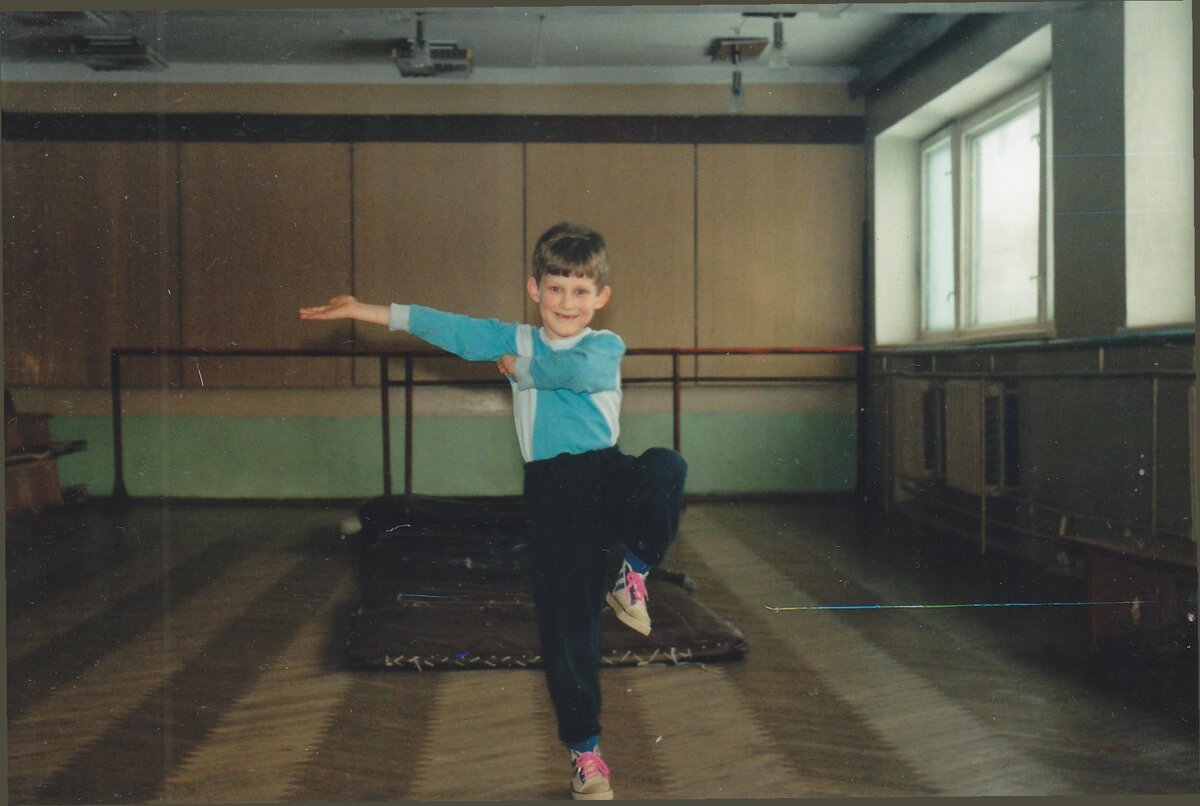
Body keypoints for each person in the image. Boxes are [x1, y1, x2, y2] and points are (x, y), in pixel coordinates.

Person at [300, 222, 687, 801]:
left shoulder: (604, 345)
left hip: (606, 475)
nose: (567, 303)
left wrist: (523, 369)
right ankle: (585, 755)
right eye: (555, 289)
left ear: (601, 297)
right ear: (534, 289)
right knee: (568, 629)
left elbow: (578, 374)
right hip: (552, 496)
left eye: (581, 291)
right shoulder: (517, 337)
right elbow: (451, 329)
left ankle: (633, 573)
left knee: (666, 466)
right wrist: (368, 310)